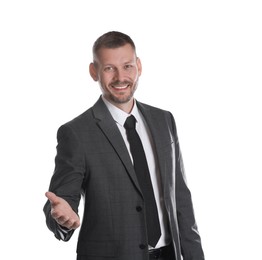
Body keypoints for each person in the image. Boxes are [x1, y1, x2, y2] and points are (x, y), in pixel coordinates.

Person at [43, 31, 205, 260]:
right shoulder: (76, 133)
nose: (120, 77)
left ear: (138, 66)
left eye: (127, 66)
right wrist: (63, 219)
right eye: (109, 68)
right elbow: (61, 203)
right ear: (93, 71)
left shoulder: (164, 120)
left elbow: (180, 199)